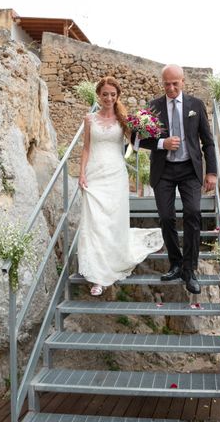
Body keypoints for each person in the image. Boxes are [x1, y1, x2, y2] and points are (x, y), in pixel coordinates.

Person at [134, 65, 217, 294]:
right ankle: (176, 263)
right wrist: (162, 143)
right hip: (164, 171)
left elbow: (208, 142)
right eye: (166, 84)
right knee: (166, 217)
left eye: (175, 83)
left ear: (183, 81)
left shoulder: (196, 105)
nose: (170, 88)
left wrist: (211, 172)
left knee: (192, 213)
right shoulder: (153, 107)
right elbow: (136, 139)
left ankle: (190, 270)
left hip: (190, 169)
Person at [78, 76, 164, 296]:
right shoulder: (89, 119)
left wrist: (150, 132)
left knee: (113, 220)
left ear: (117, 97)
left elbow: (136, 142)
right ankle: (97, 276)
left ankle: (112, 263)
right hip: (94, 174)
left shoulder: (123, 120)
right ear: (99, 95)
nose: (108, 98)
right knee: (95, 221)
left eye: (113, 95)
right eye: (105, 94)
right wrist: (81, 173)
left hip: (116, 174)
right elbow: (86, 148)